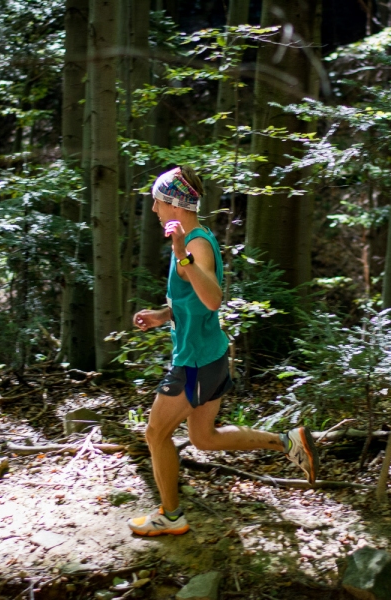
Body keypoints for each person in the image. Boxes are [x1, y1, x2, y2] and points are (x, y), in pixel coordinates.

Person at [127, 165, 319, 537]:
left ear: (174, 204)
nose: (153, 209)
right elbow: (193, 302)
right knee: (204, 438)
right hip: (209, 355)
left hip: (195, 362)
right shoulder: (193, 239)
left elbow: (213, 299)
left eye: (157, 202)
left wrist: (182, 255)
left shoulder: (194, 244)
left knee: (155, 433)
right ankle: (289, 442)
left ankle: (170, 515)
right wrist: (163, 315)